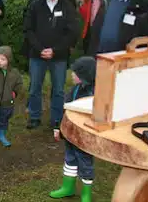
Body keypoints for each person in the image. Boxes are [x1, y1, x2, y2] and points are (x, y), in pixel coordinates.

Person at [24, 0, 79, 130]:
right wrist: (40, 49)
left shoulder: (67, 6)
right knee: (35, 87)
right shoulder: (36, 4)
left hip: (59, 56)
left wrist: (55, 50)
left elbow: (72, 32)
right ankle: (34, 117)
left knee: (58, 89)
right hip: (37, 54)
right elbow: (28, 30)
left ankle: (57, 119)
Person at [50, 56, 96, 202]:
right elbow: (65, 110)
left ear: (84, 76)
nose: (72, 74)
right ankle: (68, 187)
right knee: (70, 159)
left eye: (75, 72)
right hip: (70, 134)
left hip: (85, 137)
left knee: (85, 163)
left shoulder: (94, 94)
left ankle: (86, 193)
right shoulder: (73, 90)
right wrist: (59, 128)